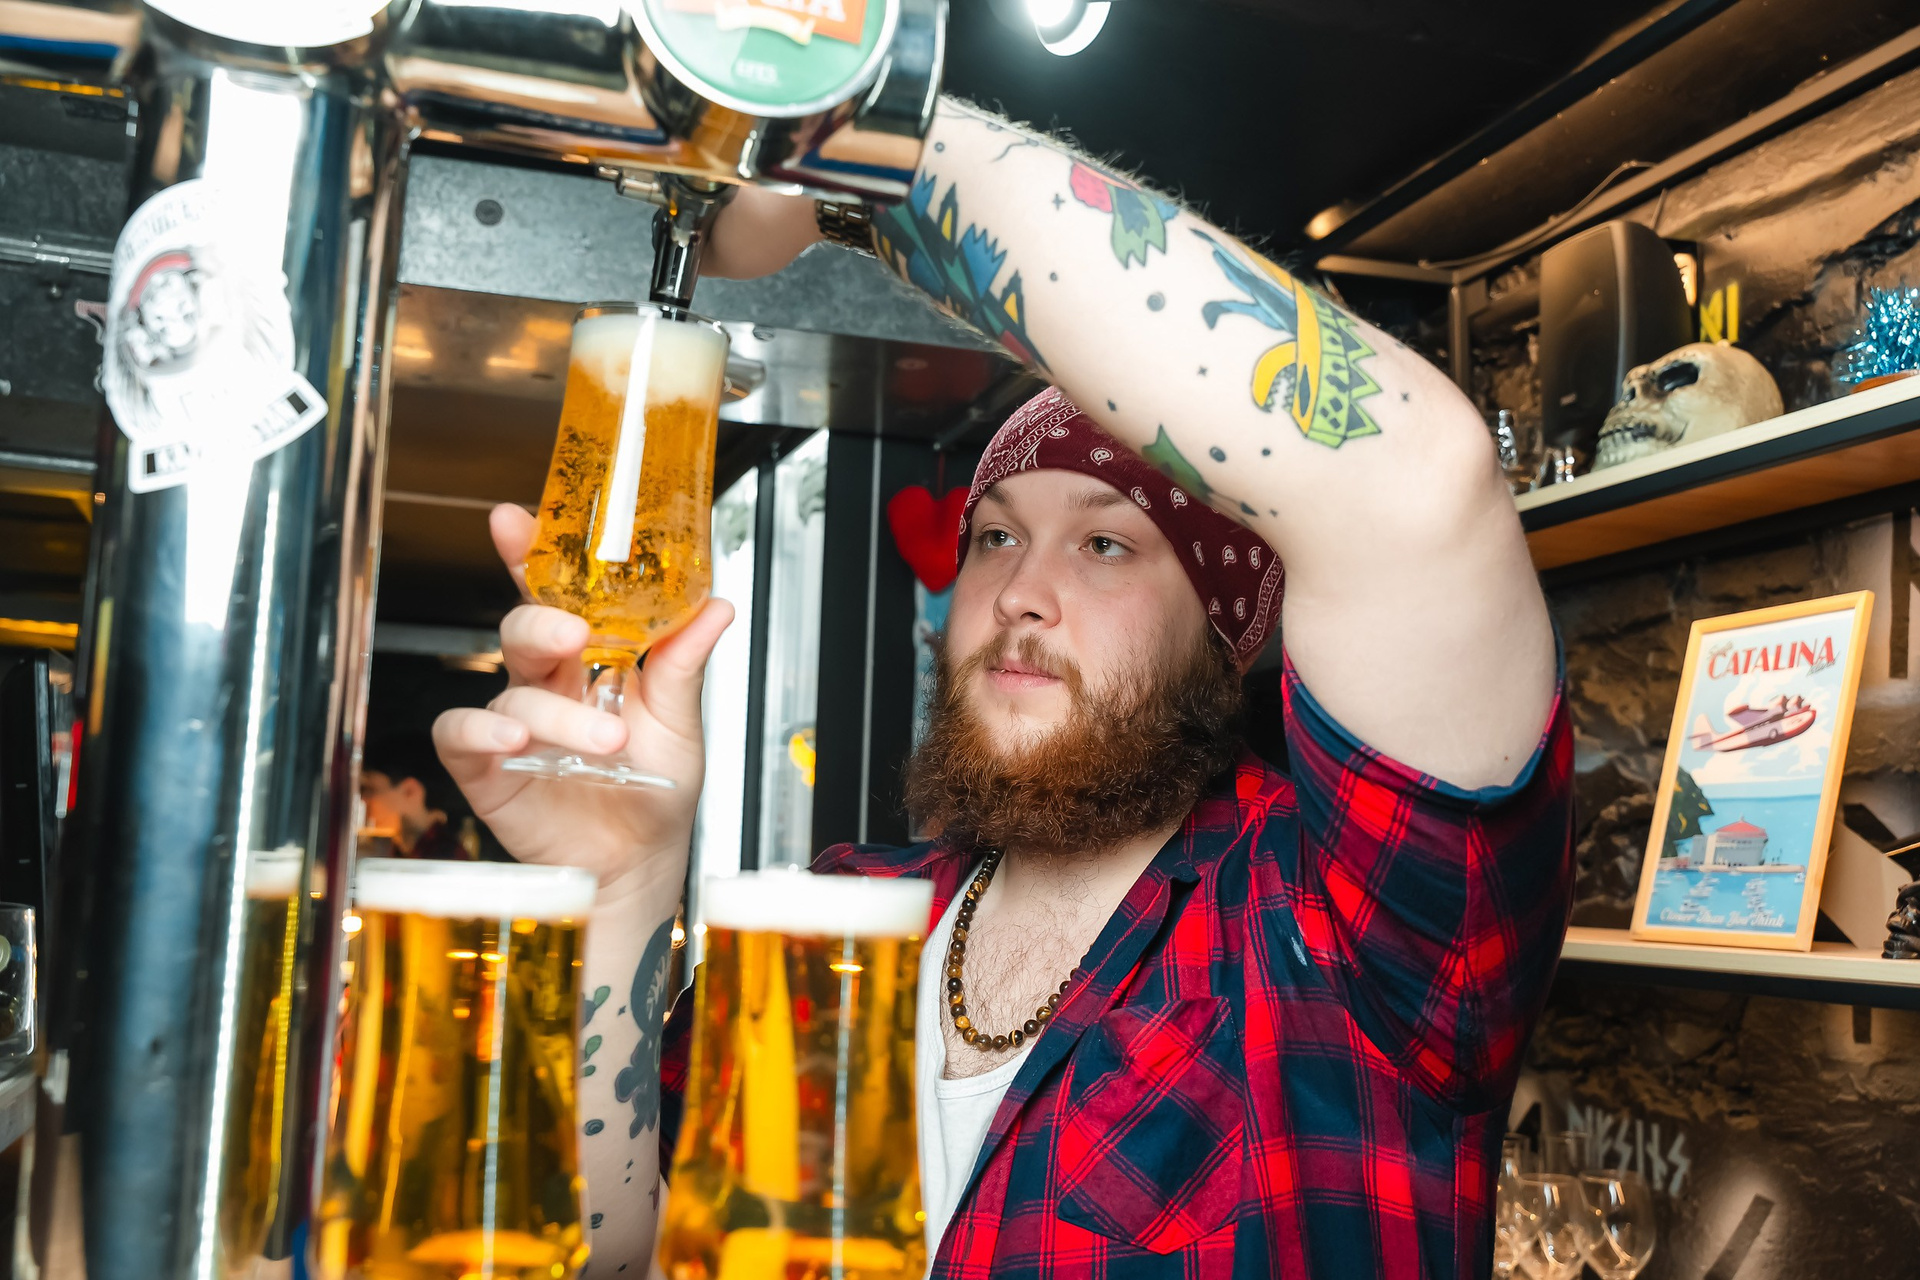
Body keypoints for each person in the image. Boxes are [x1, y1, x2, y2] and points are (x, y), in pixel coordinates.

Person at [434, 98, 1573, 1279]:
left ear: (1223, 633)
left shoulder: (1342, 929)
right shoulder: (848, 916)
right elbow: (611, 1256)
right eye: (995, 536)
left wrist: (848, 146)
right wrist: (625, 887)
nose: (1021, 591)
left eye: (1106, 544)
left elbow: (1418, 478)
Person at [359, 732, 471, 861]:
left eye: (370, 789)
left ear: (410, 791)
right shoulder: (406, 851)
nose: (363, 799)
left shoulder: (445, 859)